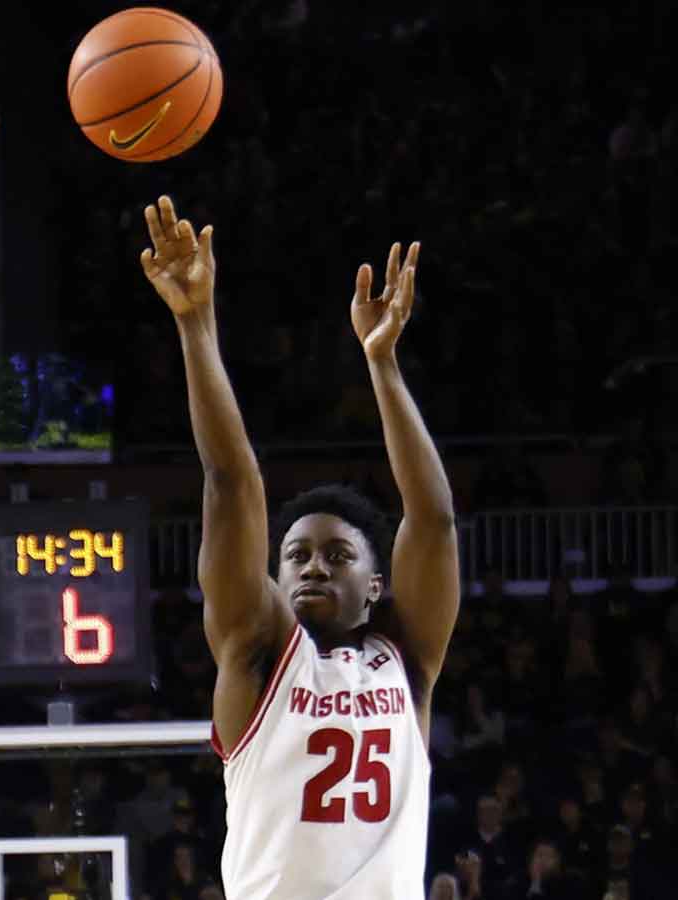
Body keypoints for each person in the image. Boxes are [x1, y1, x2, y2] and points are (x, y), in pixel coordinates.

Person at [140, 197, 458, 898]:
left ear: (378, 585)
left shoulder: (405, 664)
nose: (313, 564)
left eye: (339, 556)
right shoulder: (256, 652)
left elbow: (432, 521)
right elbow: (230, 481)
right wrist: (196, 324)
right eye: (296, 555)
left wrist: (384, 367)